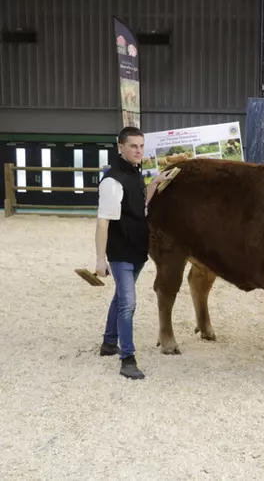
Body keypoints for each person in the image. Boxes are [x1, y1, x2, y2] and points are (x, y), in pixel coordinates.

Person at [95, 126, 171, 379]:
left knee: (120, 298)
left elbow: (140, 204)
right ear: (120, 147)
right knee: (128, 303)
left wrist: (154, 184)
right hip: (121, 252)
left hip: (138, 250)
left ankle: (108, 342)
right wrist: (100, 260)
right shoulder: (112, 180)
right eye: (133, 146)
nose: (138, 151)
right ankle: (127, 358)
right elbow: (102, 222)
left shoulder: (136, 175)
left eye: (141, 146)